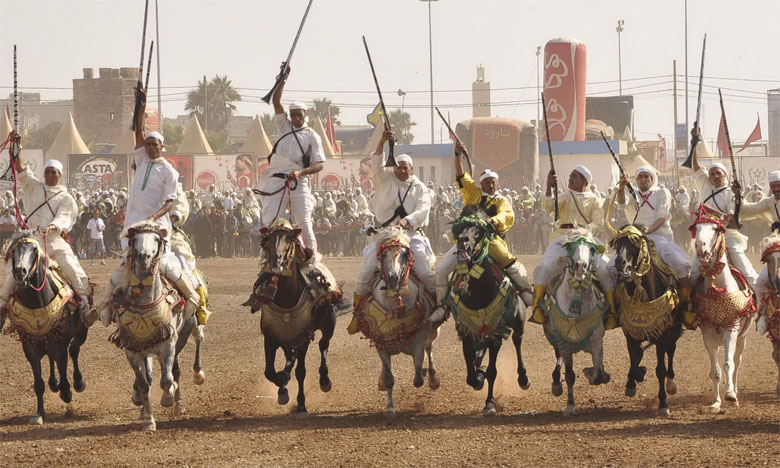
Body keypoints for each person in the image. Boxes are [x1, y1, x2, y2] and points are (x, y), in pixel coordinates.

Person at [95, 86, 210, 326]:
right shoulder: (141, 160)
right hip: (133, 227)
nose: (149, 147)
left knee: (166, 265)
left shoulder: (169, 171)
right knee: (124, 268)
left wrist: (153, 219)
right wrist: (140, 105)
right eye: (147, 144)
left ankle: (192, 298)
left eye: (154, 144)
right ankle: (102, 307)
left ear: (161, 146)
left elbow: (170, 202)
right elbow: (138, 130)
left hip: (157, 228)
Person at [430, 141, 532, 322]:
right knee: (442, 269)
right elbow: (461, 175)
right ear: (481, 184)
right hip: (466, 240)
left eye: (493, 182)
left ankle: (524, 289)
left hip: (490, 240)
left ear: (497, 183)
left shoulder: (501, 200)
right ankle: (442, 306)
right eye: (486, 183)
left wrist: (492, 220)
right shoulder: (473, 194)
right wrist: (457, 155)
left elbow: (507, 215)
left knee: (508, 260)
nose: (490, 186)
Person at [349, 130, 436, 328]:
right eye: (399, 167)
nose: (402, 171)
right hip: (384, 236)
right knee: (366, 272)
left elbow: (423, 209)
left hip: (411, 236)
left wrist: (407, 221)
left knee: (425, 273)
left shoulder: (420, 188)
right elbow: (376, 162)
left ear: (411, 169)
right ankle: (357, 314)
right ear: (394, 167)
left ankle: (439, 310)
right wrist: (382, 141)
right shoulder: (384, 179)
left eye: (405, 168)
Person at [0, 148, 92, 321]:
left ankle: (85, 305)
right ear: (43, 174)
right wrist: (17, 146)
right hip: (31, 241)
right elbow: (20, 168)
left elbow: (63, 217)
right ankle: (2, 307)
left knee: (72, 267)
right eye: (47, 172)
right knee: (14, 271)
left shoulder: (66, 198)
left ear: (60, 175)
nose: (50, 175)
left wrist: (52, 226)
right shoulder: (34, 186)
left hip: (53, 241)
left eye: (53, 172)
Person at [529, 165, 617, 328]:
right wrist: (548, 186)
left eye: (574, 176)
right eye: (570, 175)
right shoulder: (564, 196)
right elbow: (548, 207)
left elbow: (598, 224)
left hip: (586, 240)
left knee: (606, 270)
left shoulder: (595, 200)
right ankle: (537, 308)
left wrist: (582, 232)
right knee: (543, 267)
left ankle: (612, 311)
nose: (570, 178)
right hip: (562, 239)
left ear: (585, 181)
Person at [611, 166, 694, 325]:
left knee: (682, 264)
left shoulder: (661, 192)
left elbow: (662, 217)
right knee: (611, 268)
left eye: (646, 176)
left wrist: (649, 230)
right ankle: (614, 309)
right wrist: (621, 188)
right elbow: (622, 203)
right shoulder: (632, 193)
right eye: (640, 177)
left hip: (659, 238)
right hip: (634, 239)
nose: (643, 179)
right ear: (636, 180)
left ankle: (687, 304)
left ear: (652, 178)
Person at [257, 64, 324, 254]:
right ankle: (269, 260)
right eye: (293, 115)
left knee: (304, 223)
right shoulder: (284, 126)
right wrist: (283, 78)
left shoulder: (312, 136)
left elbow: (319, 164)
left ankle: (312, 260)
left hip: (298, 183)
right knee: (270, 223)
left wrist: (300, 172)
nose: (295, 118)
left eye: (299, 115)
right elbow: (276, 101)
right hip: (276, 180)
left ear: (305, 115)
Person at [689, 127, 758, 290]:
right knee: (693, 273)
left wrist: (710, 211)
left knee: (746, 270)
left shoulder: (731, 193)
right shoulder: (705, 184)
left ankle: (759, 297)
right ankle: (687, 303)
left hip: (726, 235)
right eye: (712, 174)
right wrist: (694, 142)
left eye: (718, 173)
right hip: (705, 235)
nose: (715, 176)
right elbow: (695, 165)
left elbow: (729, 219)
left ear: (725, 175)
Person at [739, 170, 780, 327]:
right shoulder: (769, 202)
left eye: (778, 185)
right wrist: (738, 196)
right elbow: (748, 210)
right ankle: (762, 315)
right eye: (773, 186)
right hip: (778, 244)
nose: (776, 189)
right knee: (760, 283)